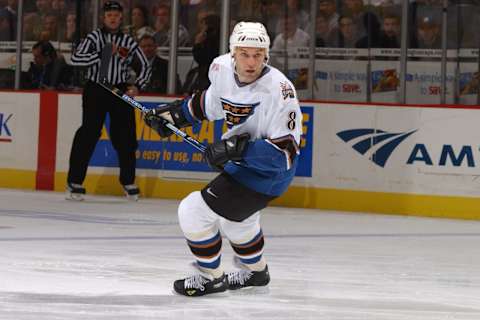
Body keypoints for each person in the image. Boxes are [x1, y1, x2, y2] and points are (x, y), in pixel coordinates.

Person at [144, 21, 302, 296]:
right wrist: (175, 116)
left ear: (266, 55)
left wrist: (233, 150)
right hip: (243, 166)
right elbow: (211, 103)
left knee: (193, 211)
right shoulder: (220, 68)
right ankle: (257, 273)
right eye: (244, 54)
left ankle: (210, 277)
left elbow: (284, 155)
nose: (251, 62)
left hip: (268, 174)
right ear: (232, 54)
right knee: (237, 222)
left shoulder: (281, 91)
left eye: (258, 54)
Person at [66, 1, 151, 201]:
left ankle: (128, 181)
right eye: (109, 15)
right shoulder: (94, 37)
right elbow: (76, 59)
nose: (112, 18)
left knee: (126, 136)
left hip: (119, 89)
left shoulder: (128, 41)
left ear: (121, 18)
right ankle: (75, 181)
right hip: (96, 88)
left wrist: (137, 85)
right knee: (89, 132)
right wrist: (101, 54)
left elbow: (145, 66)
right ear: (103, 18)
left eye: (116, 15)